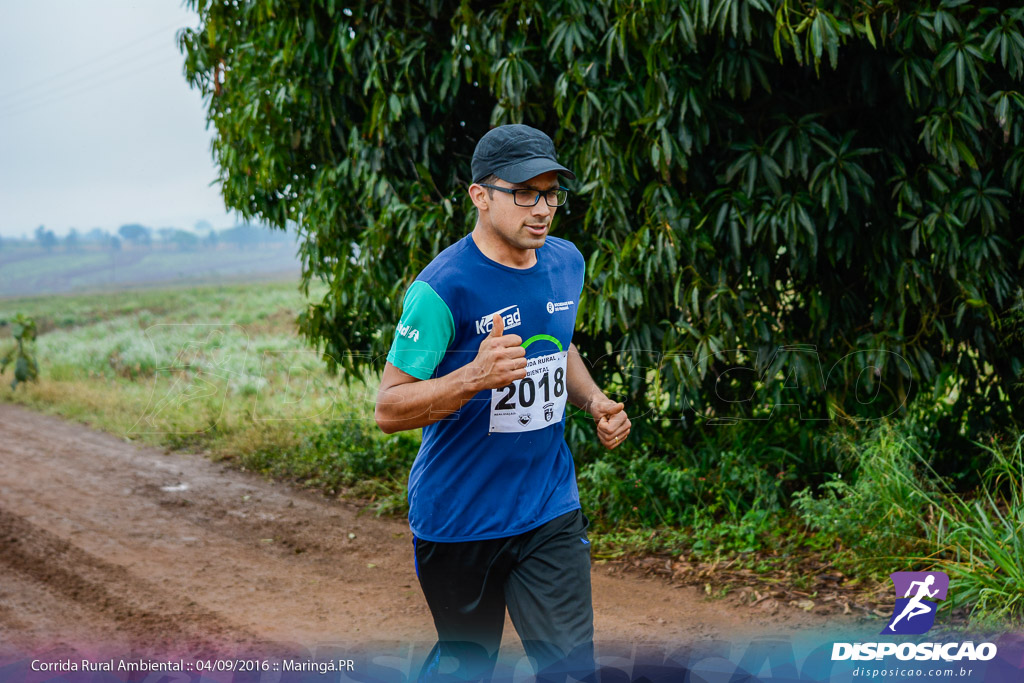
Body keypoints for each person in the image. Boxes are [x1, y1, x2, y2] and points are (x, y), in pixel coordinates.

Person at [374, 123, 631, 681]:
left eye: (550, 193)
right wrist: (471, 377)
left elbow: (557, 345)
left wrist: (594, 400)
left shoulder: (565, 263)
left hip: (548, 507)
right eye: (524, 193)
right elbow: (388, 408)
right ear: (480, 196)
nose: (541, 209)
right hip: (460, 518)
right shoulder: (443, 289)